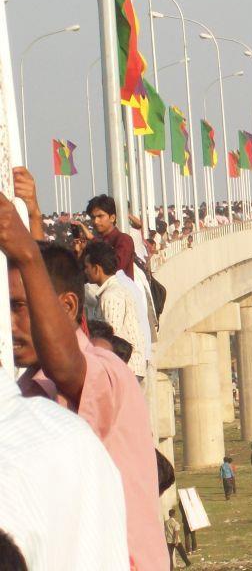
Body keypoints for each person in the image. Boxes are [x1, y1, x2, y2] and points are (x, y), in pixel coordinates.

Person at [8, 206, 167, 571]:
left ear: (67, 307)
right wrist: (34, 214)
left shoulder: (107, 372)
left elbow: (67, 368)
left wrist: (29, 255)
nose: (9, 323)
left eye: (18, 307)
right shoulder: (26, 390)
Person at [83, 241, 147, 379]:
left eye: (86, 267)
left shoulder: (111, 295)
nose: (85, 271)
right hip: (127, 367)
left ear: (96, 268)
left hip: (126, 368)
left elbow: (111, 336)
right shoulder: (114, 290)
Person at [73, 194, 136, 279]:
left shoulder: (124, 240)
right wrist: (79, 252)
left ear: (112, 218)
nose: (95, 221)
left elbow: (113, 269)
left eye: (100, 216)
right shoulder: (92, 243)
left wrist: (93, 240)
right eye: (93, 217)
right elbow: (83, 274)